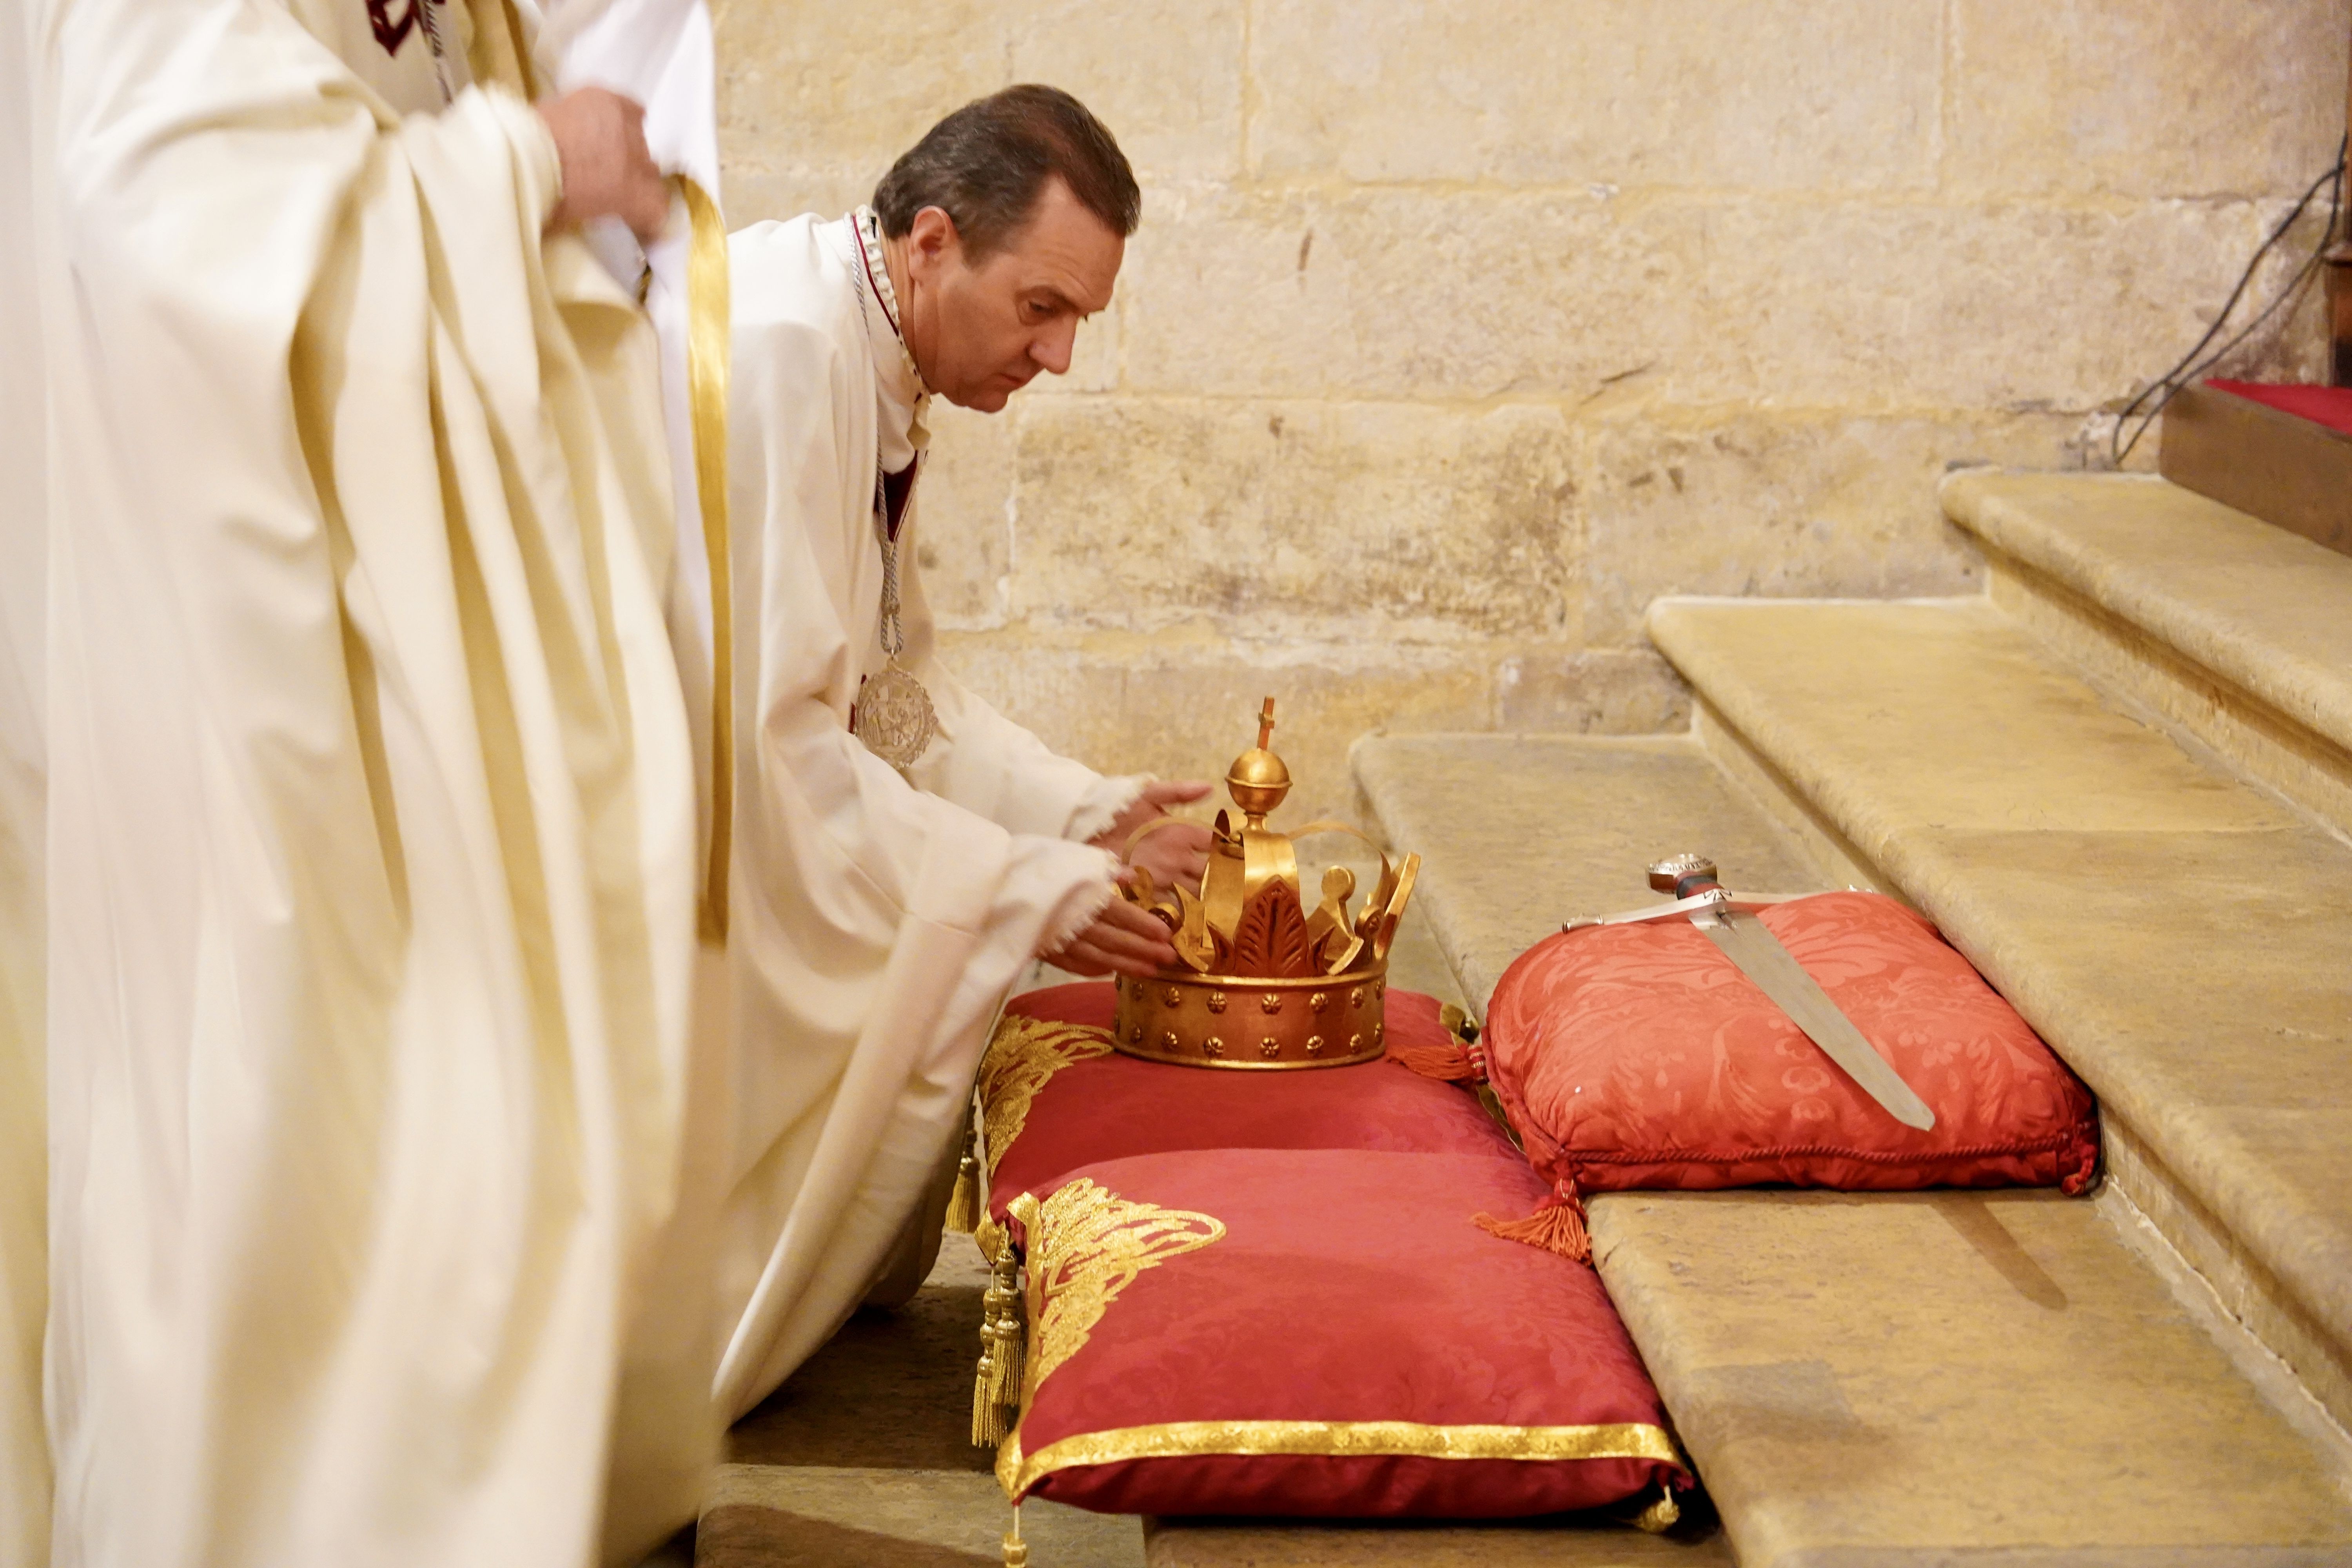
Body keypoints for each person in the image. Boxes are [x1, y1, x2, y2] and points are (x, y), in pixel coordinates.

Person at [23, 2, 724, 1563]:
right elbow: (166, 227)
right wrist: (524, 163)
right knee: (281, 1166)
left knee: (453, 1181)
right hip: (243, 689)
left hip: (391, 665)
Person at [710, 85, 1209, 1418]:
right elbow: (772, 765)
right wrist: (1026, 885)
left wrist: (1080, 815)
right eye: (1040, 308)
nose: (1056, 359)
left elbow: (881, 688)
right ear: (931, 242)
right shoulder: (780, 356)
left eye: (1078, 322)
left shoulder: (863, 344)